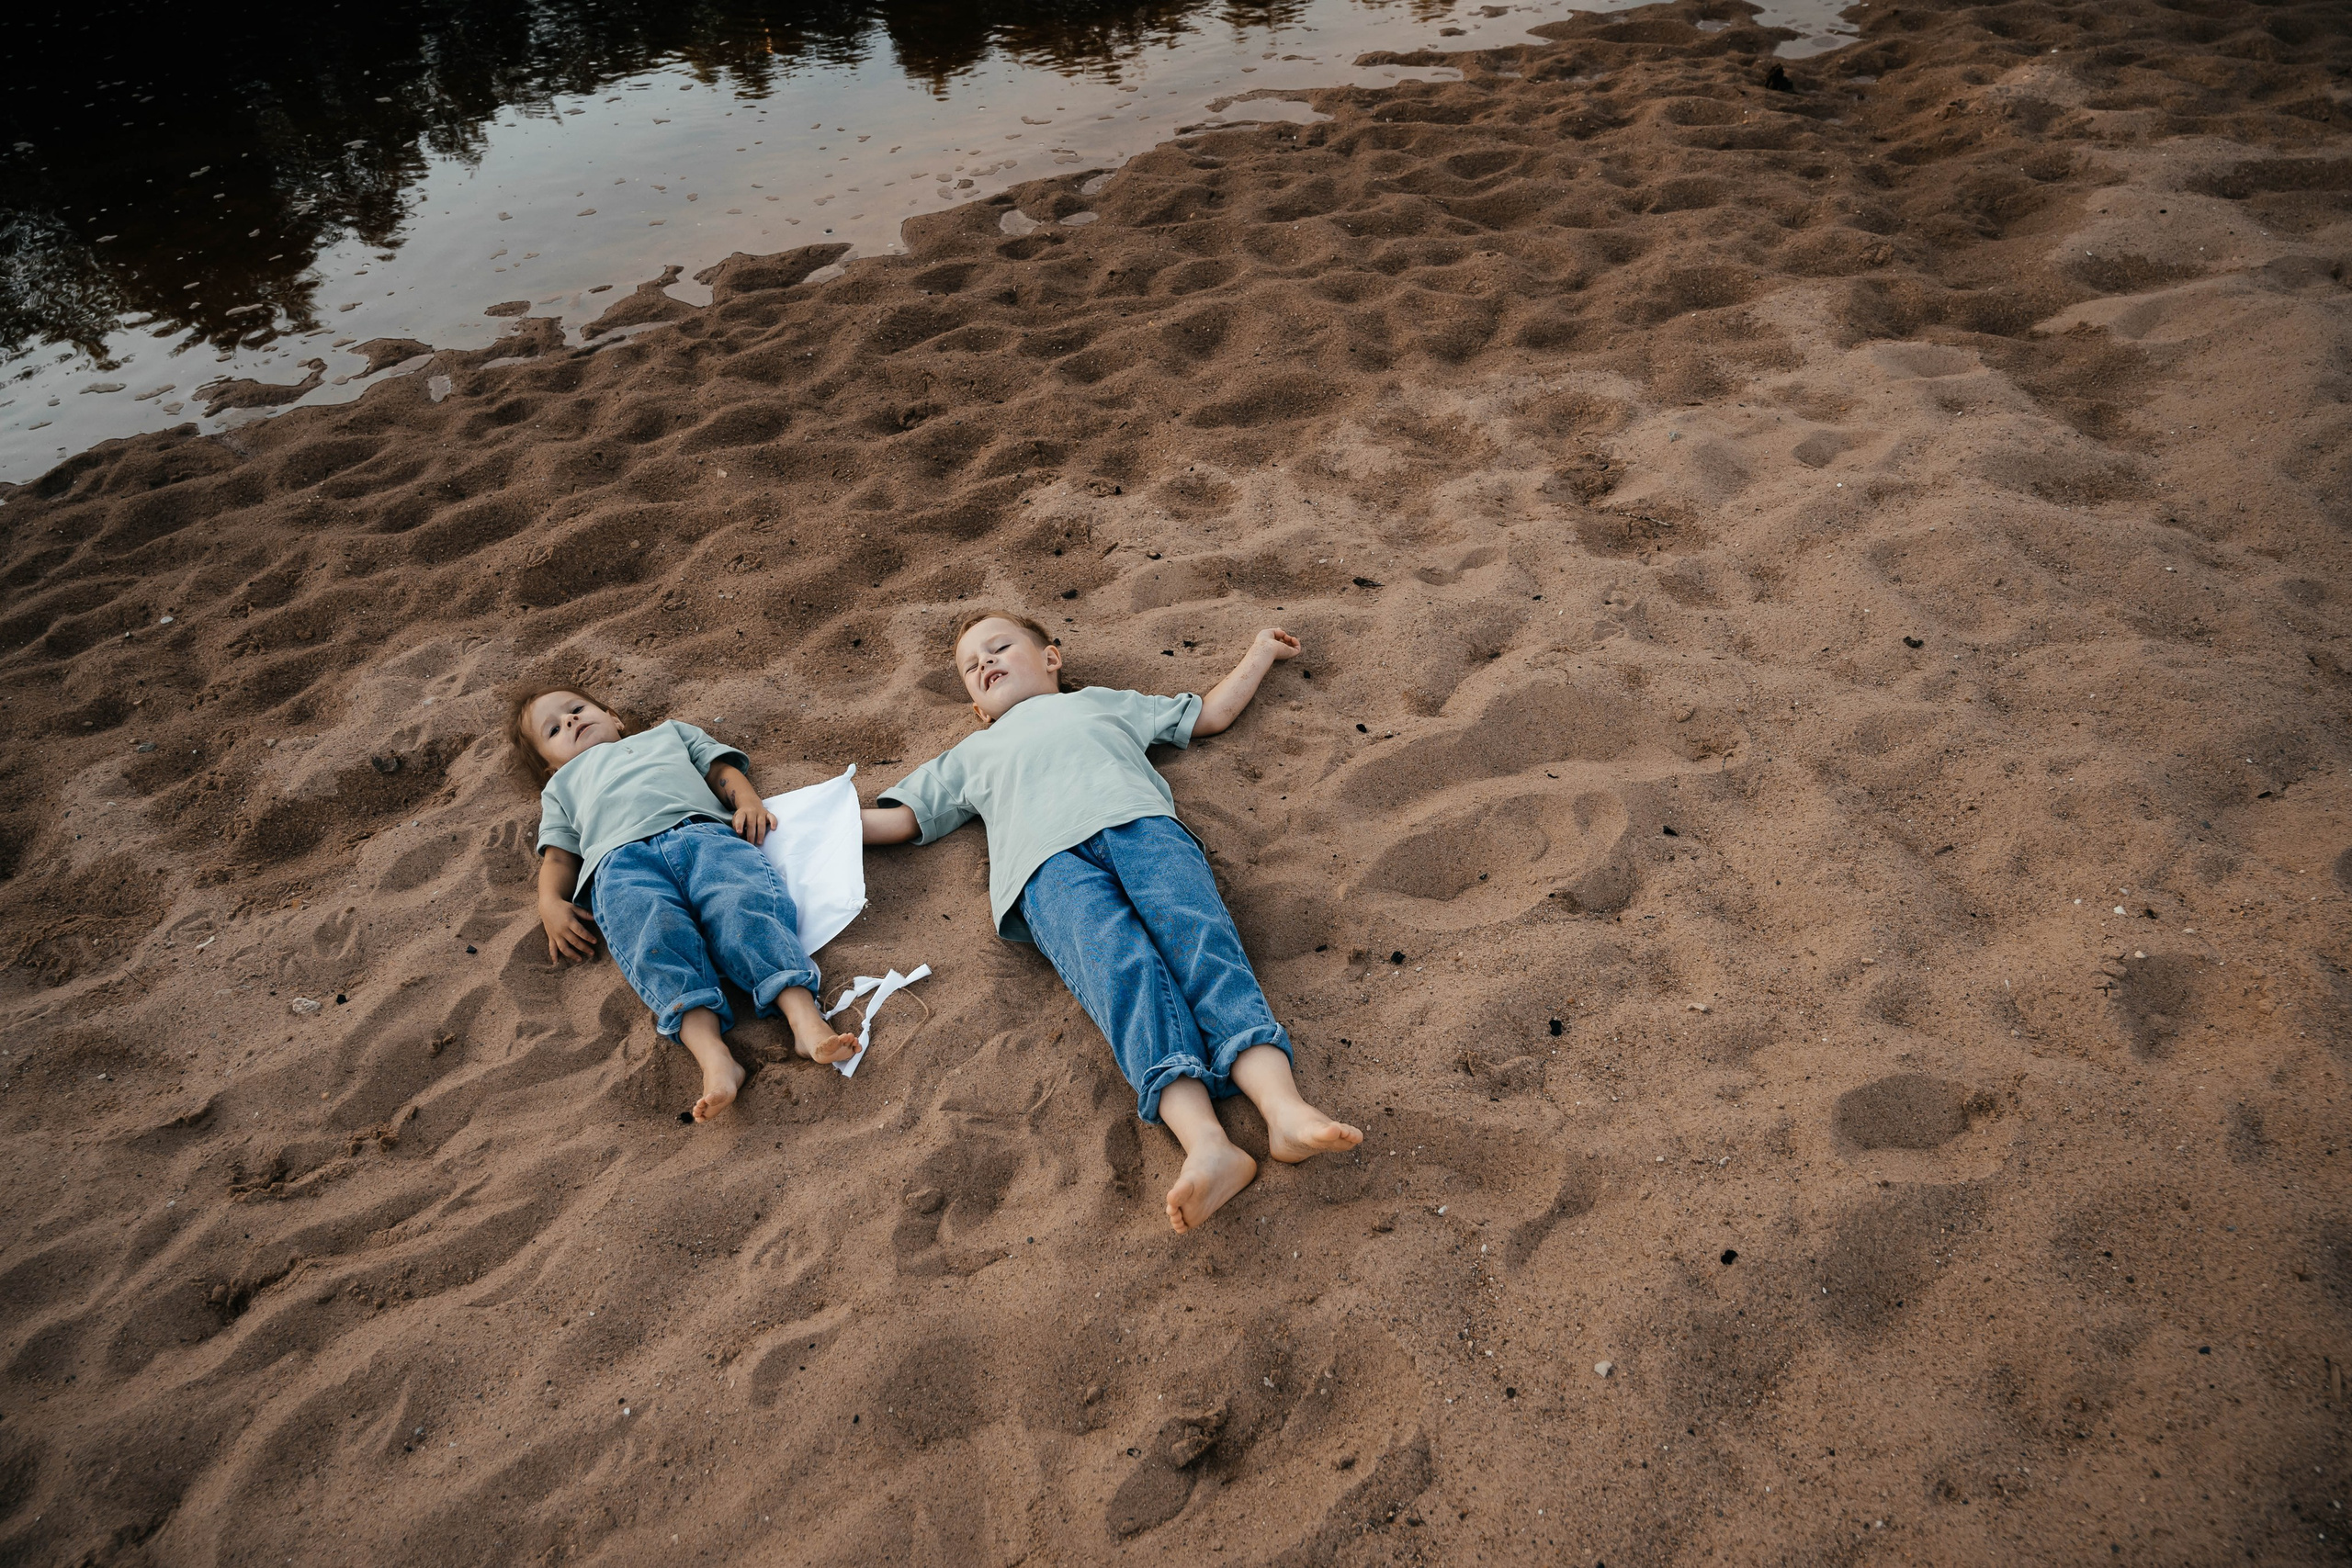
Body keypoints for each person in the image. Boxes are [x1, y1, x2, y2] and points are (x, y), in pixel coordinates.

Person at [862, 611, 1362, 1232]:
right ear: (978, 710)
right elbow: (897, 818)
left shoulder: (1103, 703)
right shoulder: (970, 754)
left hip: (1141, 829)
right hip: (1048, 871)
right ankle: (1207, 1143)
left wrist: (1260, 651)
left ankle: (1282, 1108)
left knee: (1203, 947)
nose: (986, 662)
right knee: (1125, 980)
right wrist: (798, 825)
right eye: (972, 666)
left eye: (1000, 646)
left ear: (1051, 659)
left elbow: (1207, 714)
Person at [509, 687, 858, 1122]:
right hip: (621, 867)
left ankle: (804, 1018)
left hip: (702, 836)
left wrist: (747, 800)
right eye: (555, 729)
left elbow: (720, 771)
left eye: (577, 710)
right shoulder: (561, 788)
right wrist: (550, 902)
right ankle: (714, 1057)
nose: (571, 722)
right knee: (654, 941)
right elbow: (559, 856)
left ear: (614, 717)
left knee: (743, 909)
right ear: (551, 765)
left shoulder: (669, 734)